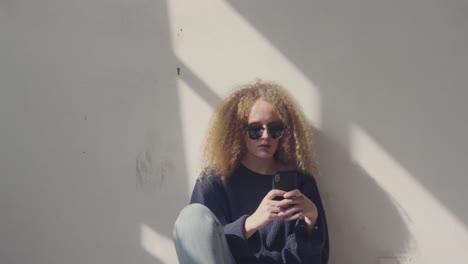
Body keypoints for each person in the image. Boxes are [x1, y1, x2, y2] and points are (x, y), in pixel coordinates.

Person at [173, 80, 329, 263]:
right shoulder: (214, 182)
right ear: (238, 131)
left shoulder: (301, 183)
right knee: (192, 217)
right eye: (255, 129)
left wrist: (311, 223)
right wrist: (251, 223)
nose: (265, 136)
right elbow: (202, 246)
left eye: (275, 129)